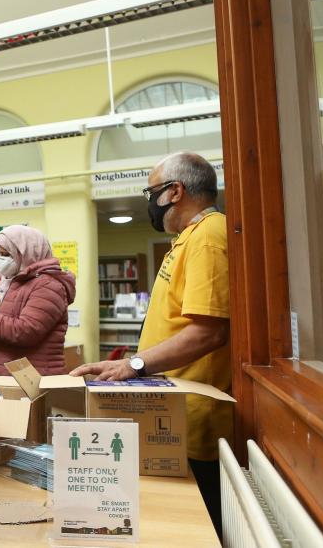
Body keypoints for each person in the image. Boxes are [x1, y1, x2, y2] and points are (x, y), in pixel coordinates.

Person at [70, 152, 229, 540]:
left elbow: (208, 332)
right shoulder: (187, 239)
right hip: (173, 411)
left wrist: (135, 365)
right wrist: (130, 362)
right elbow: (175, 323)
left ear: (175, 191)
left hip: (194, 419)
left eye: (152, 192)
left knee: (193, 530)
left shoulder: (208, 236)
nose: (149, 203)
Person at [0, 225, 75, 376]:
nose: (1, 259)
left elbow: (25, 331)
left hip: (33, 379)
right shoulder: (5, 281)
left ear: (28, 253)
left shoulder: (49, 286)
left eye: (6, 254)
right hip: (4, 374)